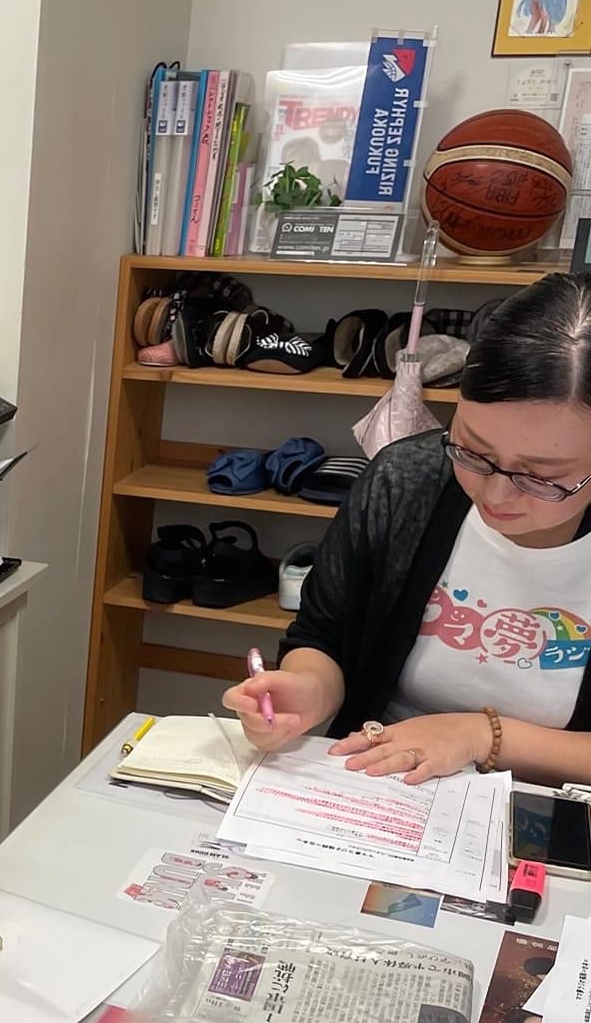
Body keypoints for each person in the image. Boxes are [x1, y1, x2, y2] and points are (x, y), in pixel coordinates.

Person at [224, 274, 591, 787]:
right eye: (474, 451)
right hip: (377, 792)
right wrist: (308, 691)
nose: (495, 495)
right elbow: (324, 636)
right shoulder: (406, 480)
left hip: (546, 822)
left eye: (541, 477)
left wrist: (481, 736)